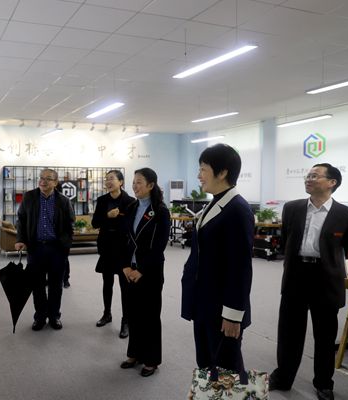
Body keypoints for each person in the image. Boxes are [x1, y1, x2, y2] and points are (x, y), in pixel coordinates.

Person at [269, 163, 348, 400]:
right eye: (307, 175)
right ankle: (283, 377)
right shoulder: (292, 208)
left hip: (326, 278)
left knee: (325, 335)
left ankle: (324, 383)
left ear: (332, 183)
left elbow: (347, 246)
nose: (308, 178)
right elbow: (287, 239)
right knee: (289, 332)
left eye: (315, 176)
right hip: (296, 274)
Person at [181, 144, 254, 379]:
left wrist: (233, 315)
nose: (199, 175)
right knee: (206, 364)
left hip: (222, 309)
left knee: (226, 372)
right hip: (204, 302)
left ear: (222, 172)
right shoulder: (216, 202)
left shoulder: (238, 209)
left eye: (203, 169)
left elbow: (240, 268)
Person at [120, 168, 170, 377]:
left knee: (149, 316)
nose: (134, 186)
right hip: (129, 270)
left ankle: (151, 359)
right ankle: (134, 353)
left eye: (139, 182)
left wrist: (141, 270)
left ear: (151, 185)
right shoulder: (131, 207)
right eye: (133, 182)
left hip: (149, 272)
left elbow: (159, 246)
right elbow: (124, 239)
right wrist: (125, 265)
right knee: (133, 314)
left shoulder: (160, 211)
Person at [15, 168, 74, 331]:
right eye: (41, 178)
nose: (43, 181)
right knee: (37, 285)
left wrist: (66, 245)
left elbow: (70, 223)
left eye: (48, 178)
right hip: (36, 248)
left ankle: (54, 316)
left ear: (55, 182)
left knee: (56, 285)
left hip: (57, 249)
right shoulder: (29, 197)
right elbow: (21, 219)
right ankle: (40, 317)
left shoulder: (63, 201)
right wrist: (20, 239)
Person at [92, 169, 135, 338]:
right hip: (106, 247)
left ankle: (126, 321)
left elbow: (132, 226)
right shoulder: (102, 200)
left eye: (112, 179)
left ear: (121, 182)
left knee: (125, 287)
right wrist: (107, 216)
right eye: (106, 179)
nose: (108, 182)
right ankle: (107, 314)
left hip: (123, 249)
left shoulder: (130, 202)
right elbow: (95, 223)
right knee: (107, 283)